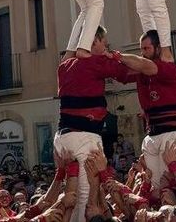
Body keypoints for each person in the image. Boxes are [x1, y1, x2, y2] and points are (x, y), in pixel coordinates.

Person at [54, 25, 157, 222]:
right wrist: (150, 64)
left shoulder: (64, 65)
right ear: (94, 42)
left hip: (62, 137)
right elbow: (130, 74)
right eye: (104, 43)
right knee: (86, 198)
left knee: (73, 194)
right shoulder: (95, 61)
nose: (106, 46)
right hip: (83, 136)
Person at [113, 30, 176, 193]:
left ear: (158, 48)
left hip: (172, 133)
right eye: (141, 49)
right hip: (153, 134)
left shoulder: (168, 68)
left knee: (173, 184)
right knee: (156, 188)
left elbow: (142, 64)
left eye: (146, 49)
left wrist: (116, 56)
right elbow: (121, 73)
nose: (143, 53)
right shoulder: (142, 71)